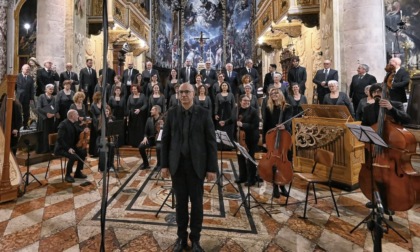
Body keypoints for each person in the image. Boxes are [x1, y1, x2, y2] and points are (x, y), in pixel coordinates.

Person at [161, 83, 217, 252]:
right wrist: (164, 164)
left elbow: (211, 143)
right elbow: (165, 141)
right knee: (181, 204)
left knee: (197, 204)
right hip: (177, 166)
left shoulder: (204, 114)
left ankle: (196, 239)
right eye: (181, 92)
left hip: (196, 166)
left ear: (194, 93)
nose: (183, 95)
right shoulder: (171, 113)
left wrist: (212, 168)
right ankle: (181, 238)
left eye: (187, 92)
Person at [262, 87, 292, 198]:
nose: (274, 94)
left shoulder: (287, 107)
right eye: (272, 93)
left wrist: (285, 125)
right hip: (272, 138)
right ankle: (275, 186)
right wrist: (265, 141)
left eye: (276, 92)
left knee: (283, 163)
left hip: (284, 138)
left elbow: (289, 120)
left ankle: (282, 185)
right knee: (273, 163)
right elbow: (266, 124)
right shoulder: (268, 108)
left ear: (280, 94)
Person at [55, 109, 89, 183]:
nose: (78, 116)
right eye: (77, 114)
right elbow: (60, 139)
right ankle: (68, 175)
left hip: (71, 146)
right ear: (72, 116)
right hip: (62, 148)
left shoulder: (74, 123)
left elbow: (79, 133)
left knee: (83, 152)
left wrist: (84, 131)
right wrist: (68, 149)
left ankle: (78, 172)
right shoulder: (63, 124)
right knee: (73, 156)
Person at [234, 95, 259, 186]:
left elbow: (255, 126)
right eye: (244, 100)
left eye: (248, 100)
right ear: (240, 101)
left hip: (251, 138)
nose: (247, 102)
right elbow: (233, 119)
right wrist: (225, 122)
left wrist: (243, 125)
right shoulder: (238, 110)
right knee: (240, 157)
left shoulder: (254, 111)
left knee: (250, 158)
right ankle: (242, 177)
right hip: (239, 138)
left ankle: (251, 179)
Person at [138, 105, 164, 170]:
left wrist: (162, 125)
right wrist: (145, 137)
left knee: (158, 147)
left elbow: (165, 131)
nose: (150, 111)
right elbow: (146, 132)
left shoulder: (163, 119)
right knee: (141, 146)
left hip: (159, 139)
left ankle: (159, 165)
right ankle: (146, 163)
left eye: (152, 110)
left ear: (157, 111)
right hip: (151, 139)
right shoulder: (149, 119)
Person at [36, 84, 57, 154]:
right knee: (44, 133)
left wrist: (53, 114)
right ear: (46, 89)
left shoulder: (53, 98)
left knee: (50, 132)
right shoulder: (41, 96)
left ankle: (49, 149)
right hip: (43, 118)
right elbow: (38, 108)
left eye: (52, 89)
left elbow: (54, 107)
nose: (51, 90)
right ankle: (43, 149)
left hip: (51, 118)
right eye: (50, 89)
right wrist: (46, 114)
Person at [214, 82, 236, 146]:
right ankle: (221, 146)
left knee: (229, 129)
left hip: (229, 114)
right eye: (223, 85)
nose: (224, 86)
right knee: (221, 130)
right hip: (221, 114)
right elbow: (216, 106)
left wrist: (233, 115)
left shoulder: (231, 94)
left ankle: (229, 146)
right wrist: (215, 114)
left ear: (228, 87)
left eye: (225, 85)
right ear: (221, 87)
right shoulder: (218, 95)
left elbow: (233, 106)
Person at [16, 64, 35, 129]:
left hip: (27, 97)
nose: (27, 70)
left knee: (26, 112)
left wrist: (31, 98)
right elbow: (14, 87)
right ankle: (17, 125)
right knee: (18, 111)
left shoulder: (30, 78)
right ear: (22, 69)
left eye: (28, 69)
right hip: (19, 97)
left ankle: (25, 125)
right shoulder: (17, 76)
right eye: (26, 69)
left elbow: (32, 89)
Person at [89, 92, 102, 157]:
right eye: (99, 97)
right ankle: (94, 152)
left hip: (101, 122)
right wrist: (96, 122)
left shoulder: (103, 103)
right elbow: (92, 115)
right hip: (95, 123)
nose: (100, 99)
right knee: (95, 138)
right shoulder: (93, 105)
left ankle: (100, 151)